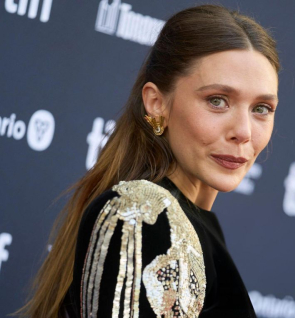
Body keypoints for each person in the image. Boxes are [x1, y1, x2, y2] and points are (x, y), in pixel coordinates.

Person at [15, 4, 280, 318]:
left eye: (261, 108)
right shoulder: (143, 217)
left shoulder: (194, 225)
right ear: (157, 104)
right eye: (217, 101)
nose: (243, 132)